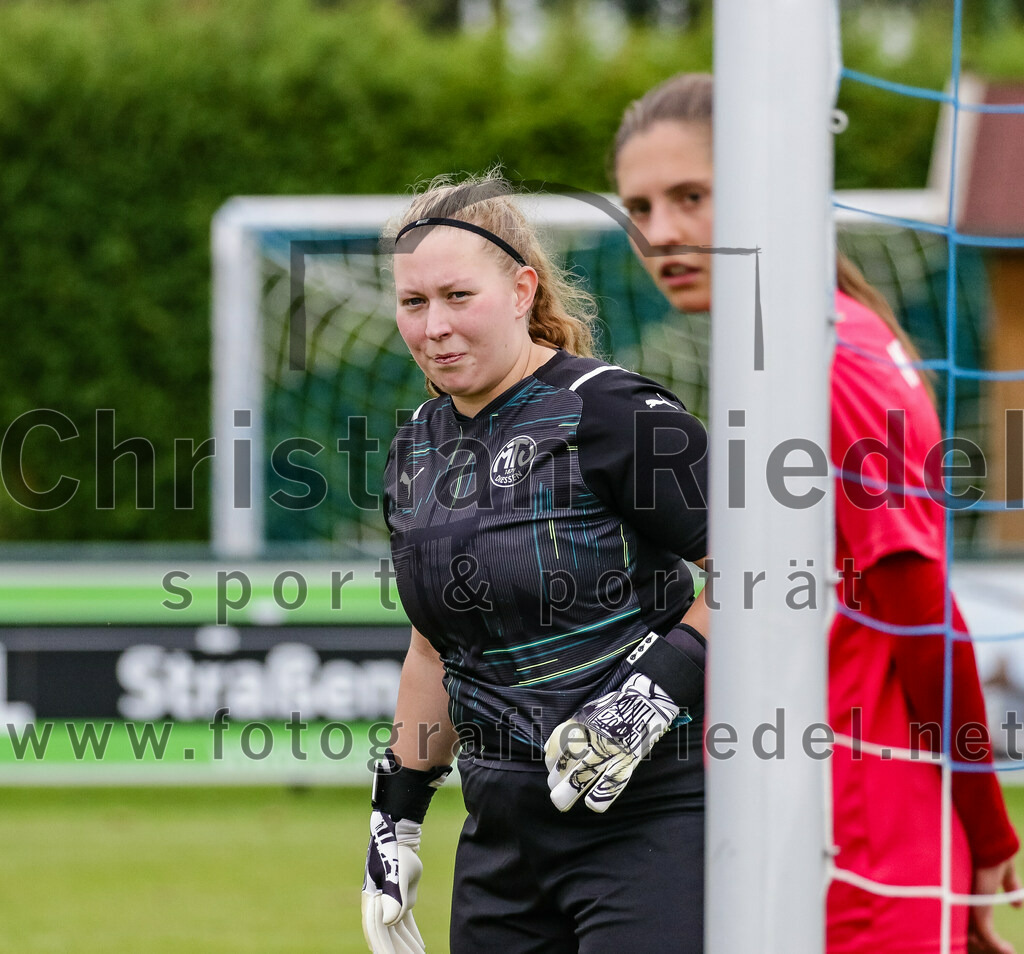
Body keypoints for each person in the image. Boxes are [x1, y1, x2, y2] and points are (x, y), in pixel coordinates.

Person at [611, 72, 1022, 954]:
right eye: (640, 206)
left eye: (692, 196)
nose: (664, 233)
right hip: (820, 814)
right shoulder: (819, 337)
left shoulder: (829, 362)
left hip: (854, 834)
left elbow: (919, 608)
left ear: (773, 185)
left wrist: (986, 832)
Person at [360, 170, 711, 954]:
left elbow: (769, 576)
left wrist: (648, 697)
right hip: (503, 842)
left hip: (656, 821)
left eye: (458, 296)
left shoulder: (614, 410)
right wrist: (397, 820)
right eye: (414, 303)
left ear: (522, 290)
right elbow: (431, 649)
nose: (434, 326)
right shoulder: (415, 447)